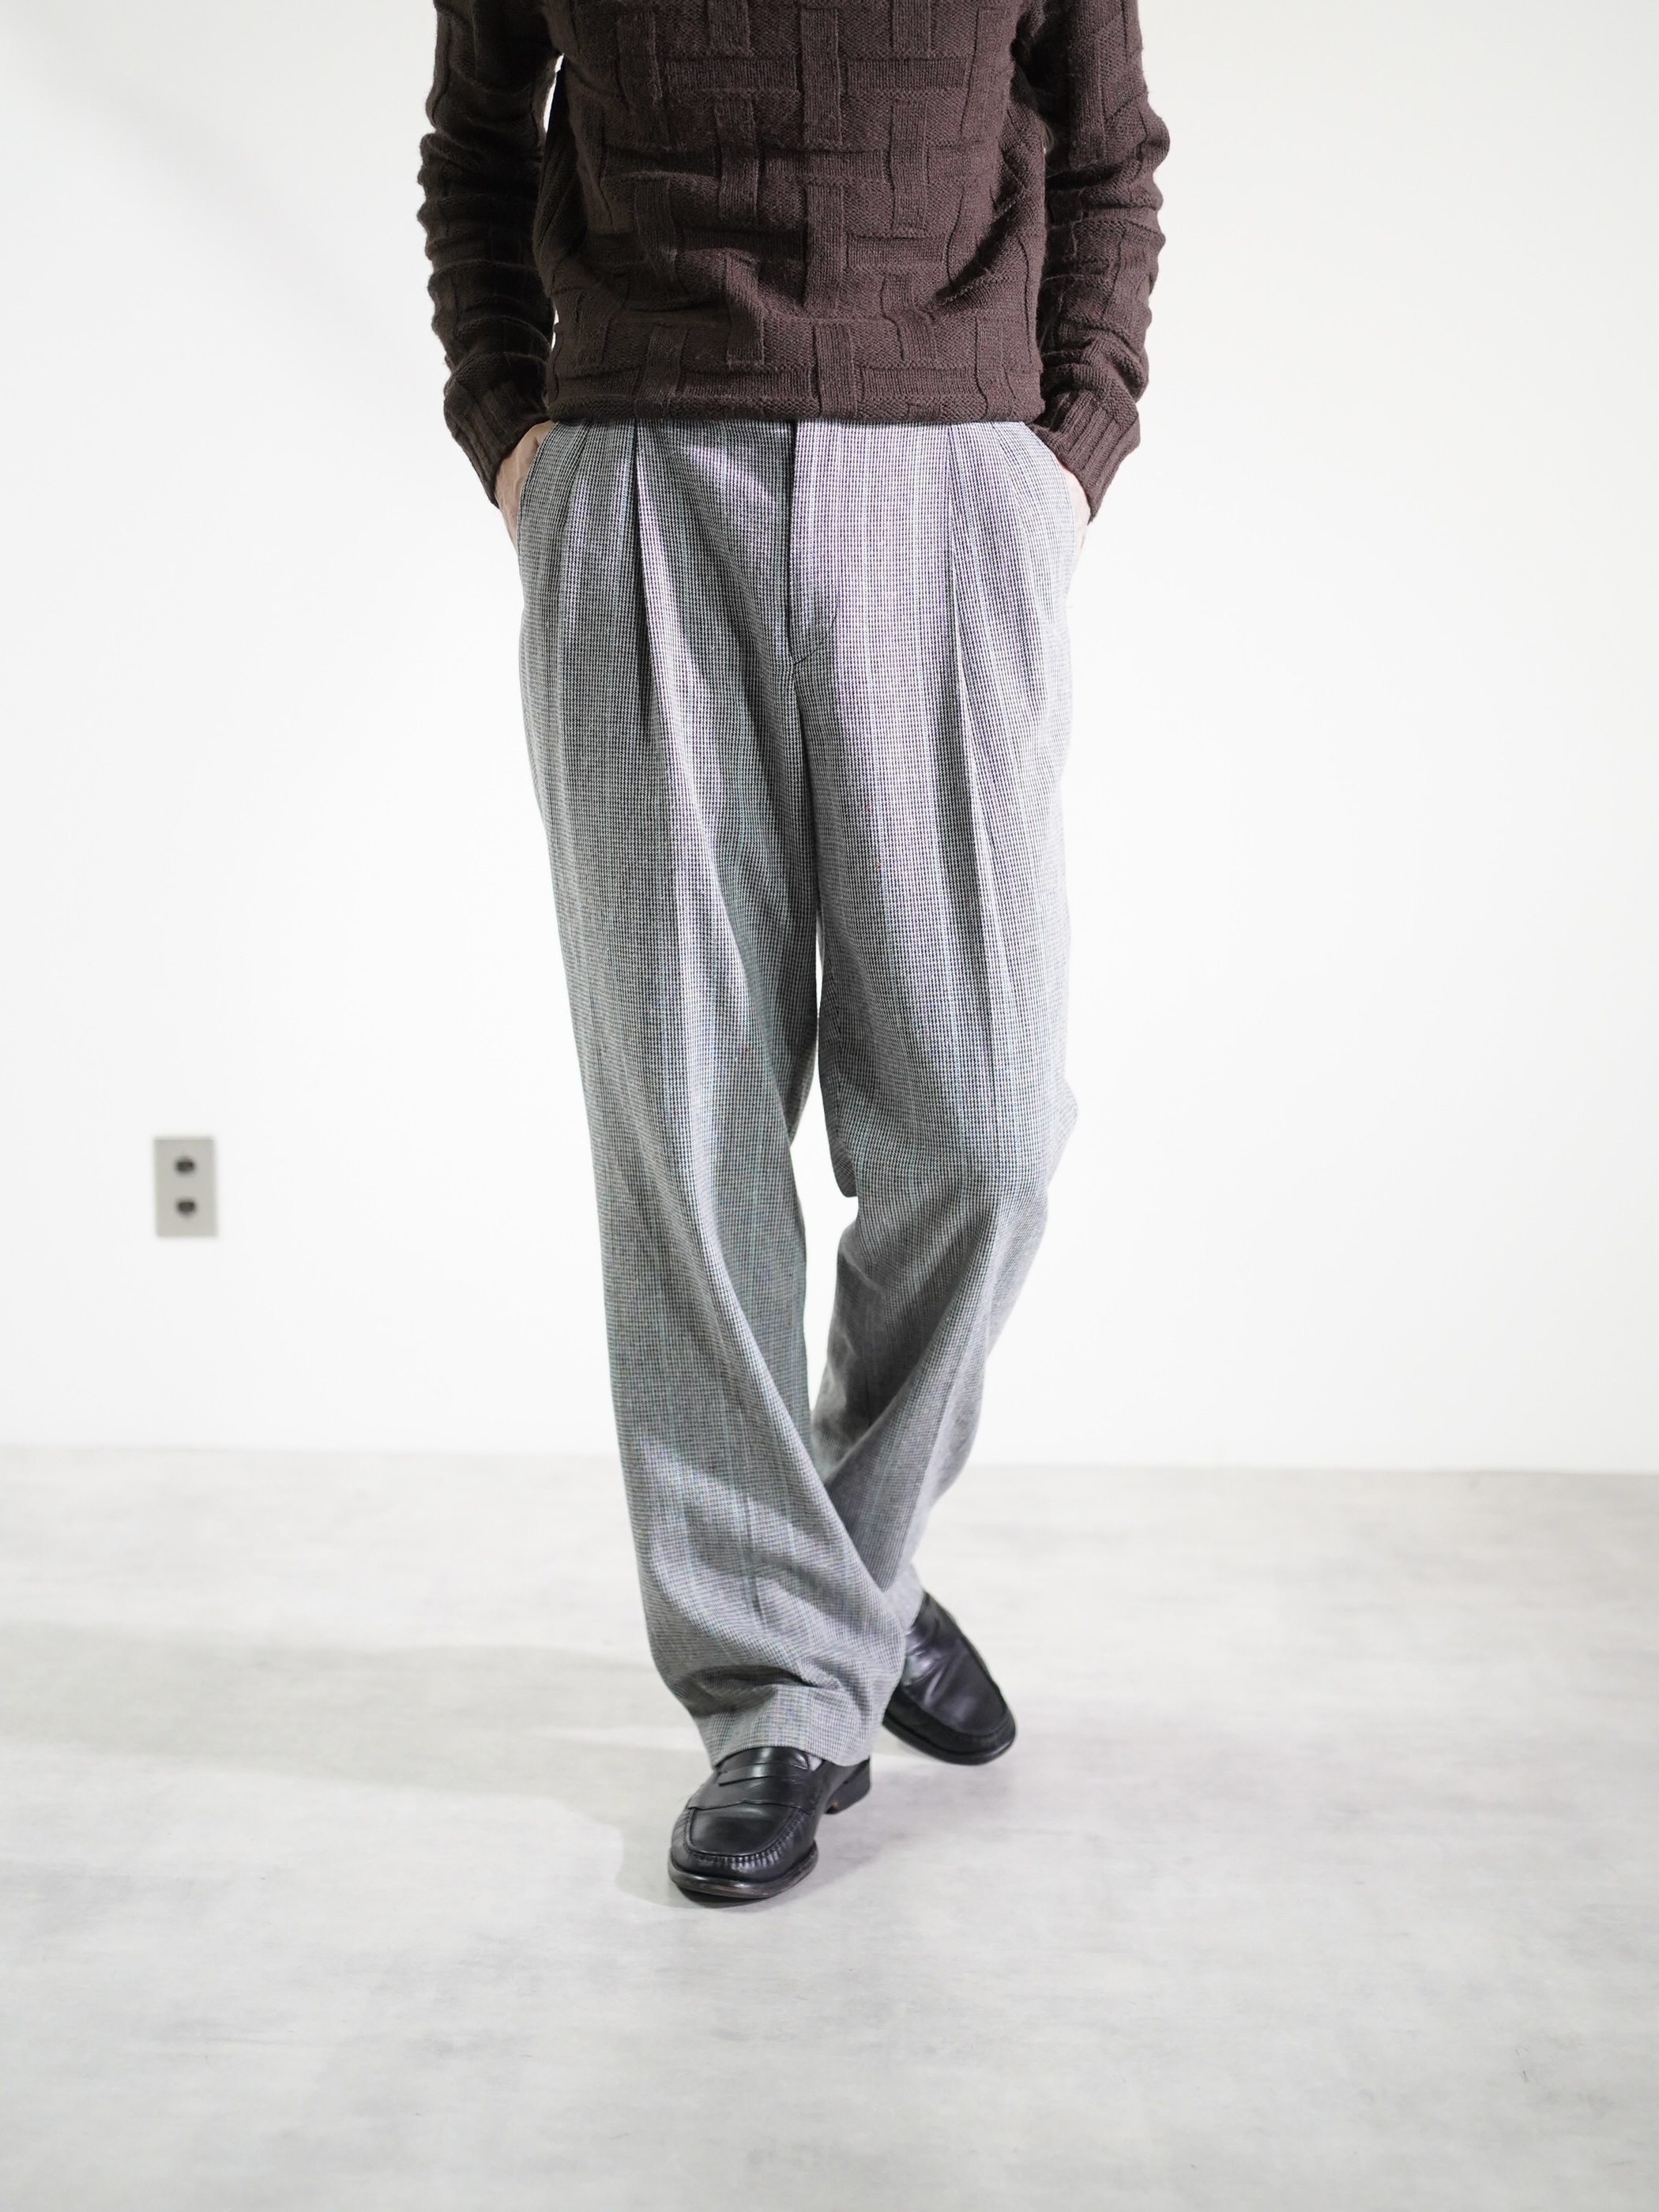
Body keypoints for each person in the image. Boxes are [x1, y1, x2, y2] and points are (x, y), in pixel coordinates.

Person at [417, 0, 1168, 1905]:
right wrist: (516, 444)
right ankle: (777, 1686)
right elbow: (474, 148)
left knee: (988, 1133)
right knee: (686, 1126)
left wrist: (1066, 452)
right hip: (639, 482)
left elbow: (1107, 156)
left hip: (954, 485)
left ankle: (844, 1572)